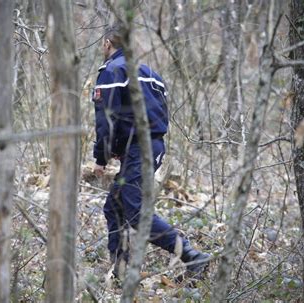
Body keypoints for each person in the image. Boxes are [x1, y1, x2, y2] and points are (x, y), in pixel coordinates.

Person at [92, 25, 209, 278]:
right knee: (114, 205)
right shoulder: (150, 73)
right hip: (153, 146)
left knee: (134, 211)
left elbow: (106, 120)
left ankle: (192, 255)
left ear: (107, 43)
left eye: (103, 44)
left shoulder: (112, 70)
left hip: (139, 149)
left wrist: (101, 157)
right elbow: (153, 113)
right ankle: (119, 269)